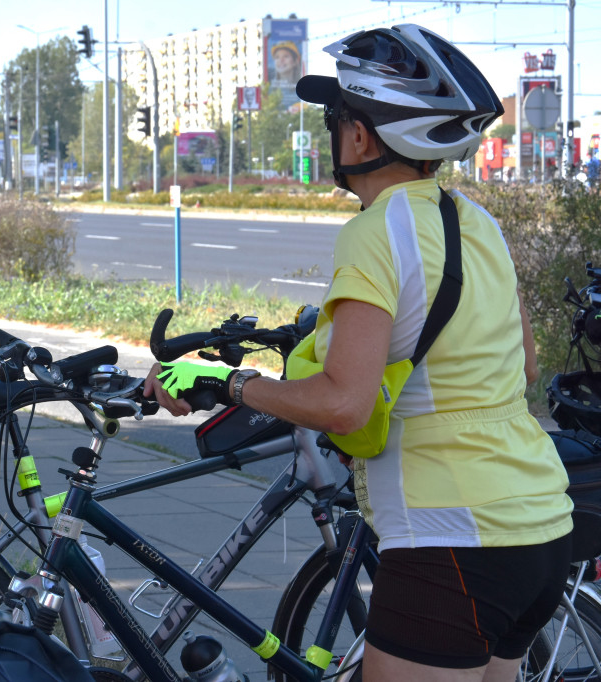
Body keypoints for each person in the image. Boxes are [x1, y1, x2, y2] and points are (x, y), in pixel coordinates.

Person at [146, 24, 572, 681]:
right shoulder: (477, 222)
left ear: (362, 136)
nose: (332, 134)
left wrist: (230, 383)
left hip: (450, 537)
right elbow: (527, 368)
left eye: (335, 119)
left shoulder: (375, 233)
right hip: (539, 528)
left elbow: (343, 404)